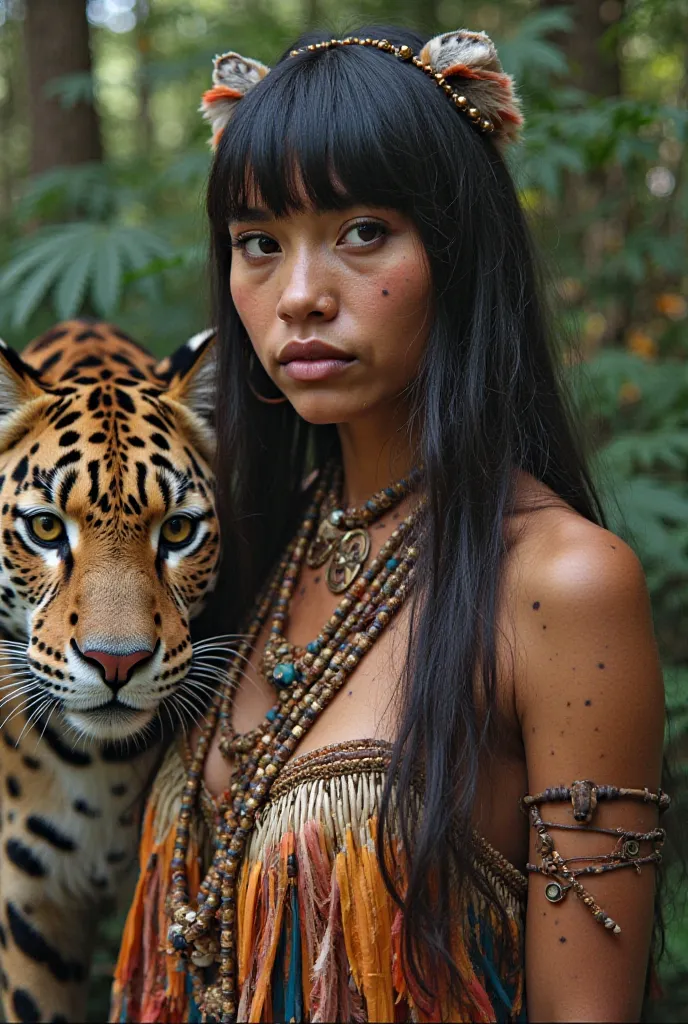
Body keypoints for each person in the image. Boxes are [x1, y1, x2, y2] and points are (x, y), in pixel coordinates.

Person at [111, 25, 669, 1024]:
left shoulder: (560, 584)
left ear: (457, 251)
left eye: (363, 230)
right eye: (257, 243)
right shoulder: (235, 555)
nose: (299, 296)